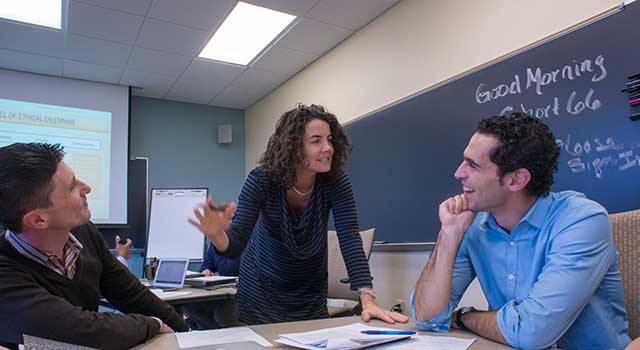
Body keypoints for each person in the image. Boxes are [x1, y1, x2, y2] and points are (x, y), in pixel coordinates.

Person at [411, 112, 630, 349]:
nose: (458, 173)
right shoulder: (474, 226)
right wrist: (448, 235)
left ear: (516, 180)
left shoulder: (581, 221)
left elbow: (531, 333)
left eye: (473, 165)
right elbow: (427, 318)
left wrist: (463, 317)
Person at [190, 103, 408, 325]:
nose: (328, 148)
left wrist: (367, 296)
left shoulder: (335, 181)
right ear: (293, 147)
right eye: (316, 141)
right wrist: (217, 234)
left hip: (310, 291)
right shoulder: (262, 179)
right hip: (262, 292)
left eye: (330, 140)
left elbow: (350, 237)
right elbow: (235, 244)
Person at [0, 143, 188, 350]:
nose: (86, 187)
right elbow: (79, 328)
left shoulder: (84, 233)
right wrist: (153, 324)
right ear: (38, 220)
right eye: (72, 186)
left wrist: (188, 334)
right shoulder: (5, 270)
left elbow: (131, 294)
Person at [182, 243, 242, 330]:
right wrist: (206, 270)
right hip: (220, 290)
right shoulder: (216, 244)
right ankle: (211, 331)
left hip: (238, 292)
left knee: (223, 314)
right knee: (188, 304)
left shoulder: (244, 240)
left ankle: (216, 331)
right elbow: (206, 265)